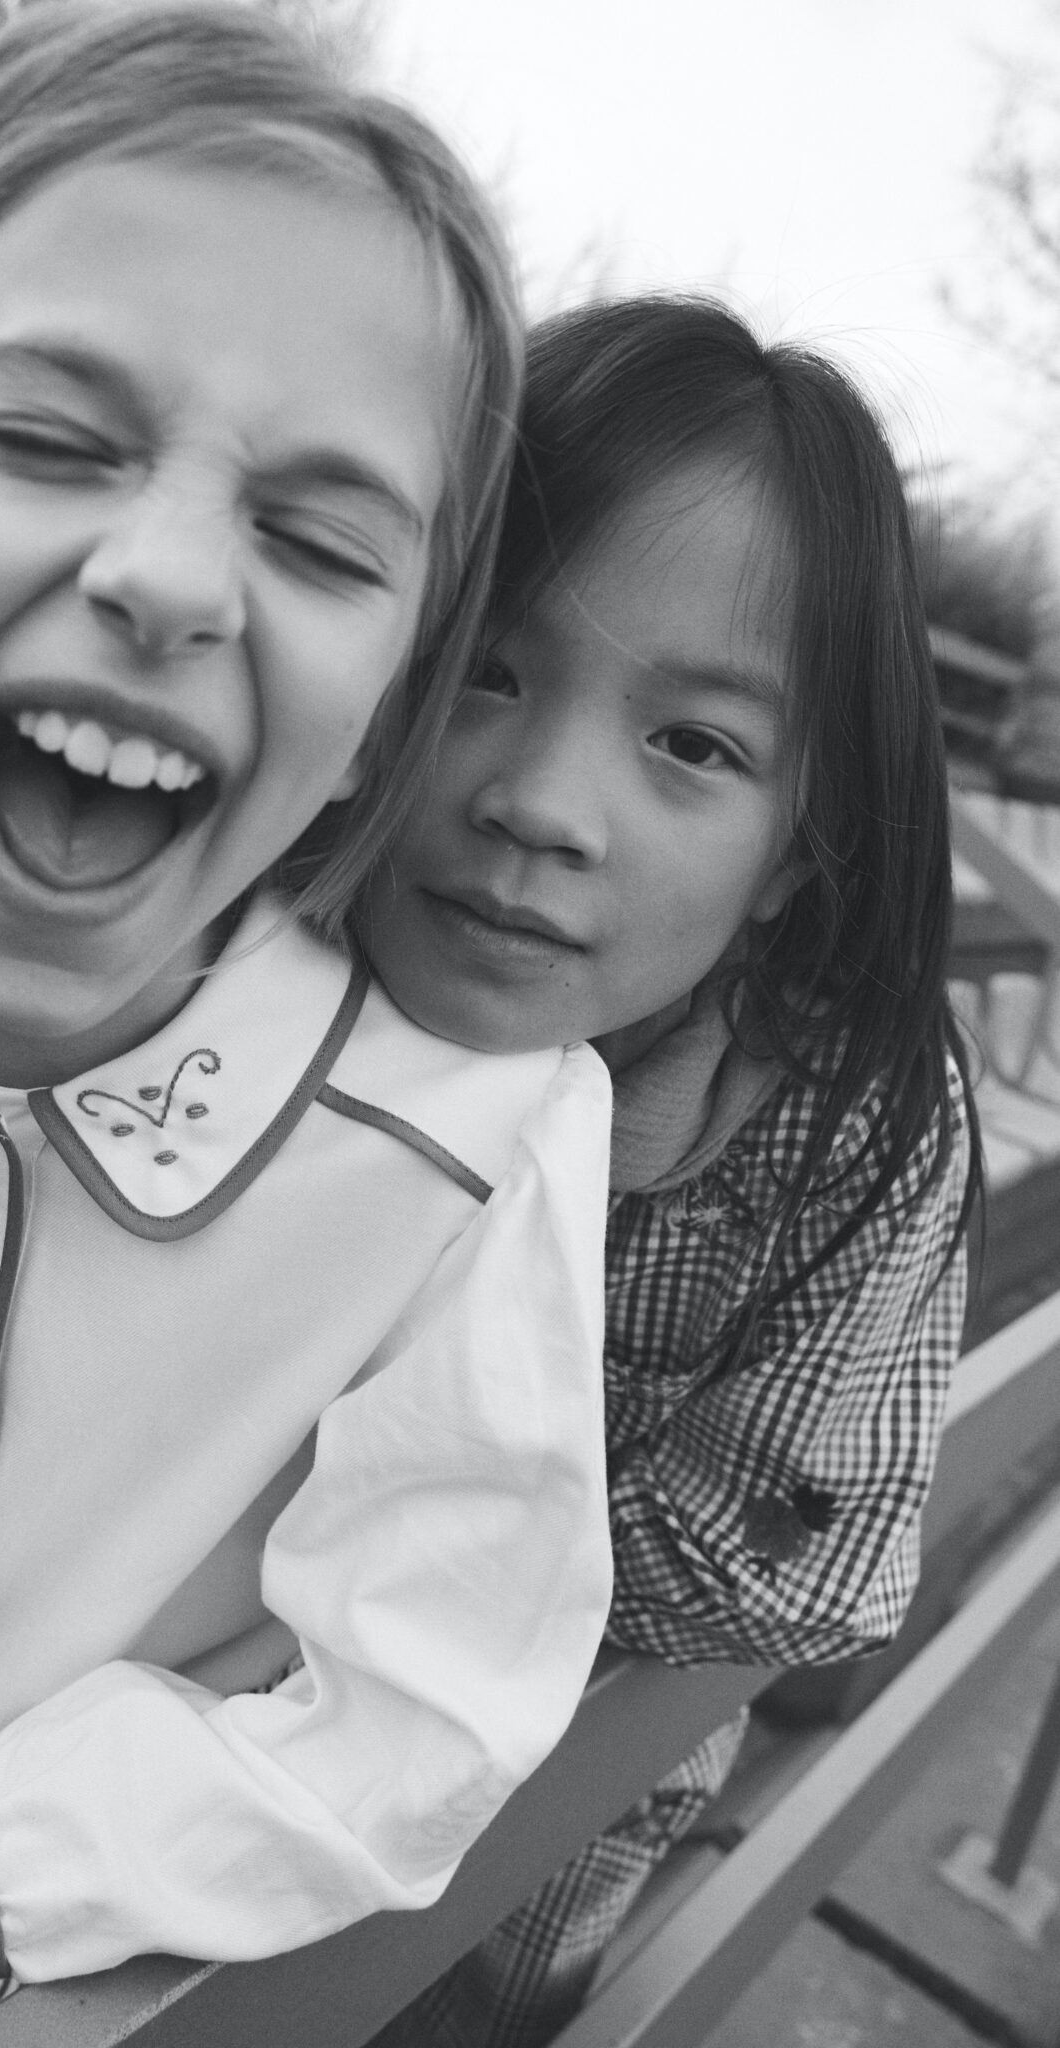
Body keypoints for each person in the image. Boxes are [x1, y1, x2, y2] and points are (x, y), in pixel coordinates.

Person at [0, 10, 617, 2044]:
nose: (169, 577)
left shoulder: (465, 1148)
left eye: (318, 539)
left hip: (110, 1972)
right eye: (47, 439)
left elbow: (416, 1718)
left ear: (382, 708)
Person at [360, 295, 982, 2048]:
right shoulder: (238, 964)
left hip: (496, 1889)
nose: (542, 803)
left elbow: (788, 1561)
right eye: (484, 669)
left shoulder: (833, 1127)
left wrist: (354, 1521)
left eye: (693, 745)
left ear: (792, 858)